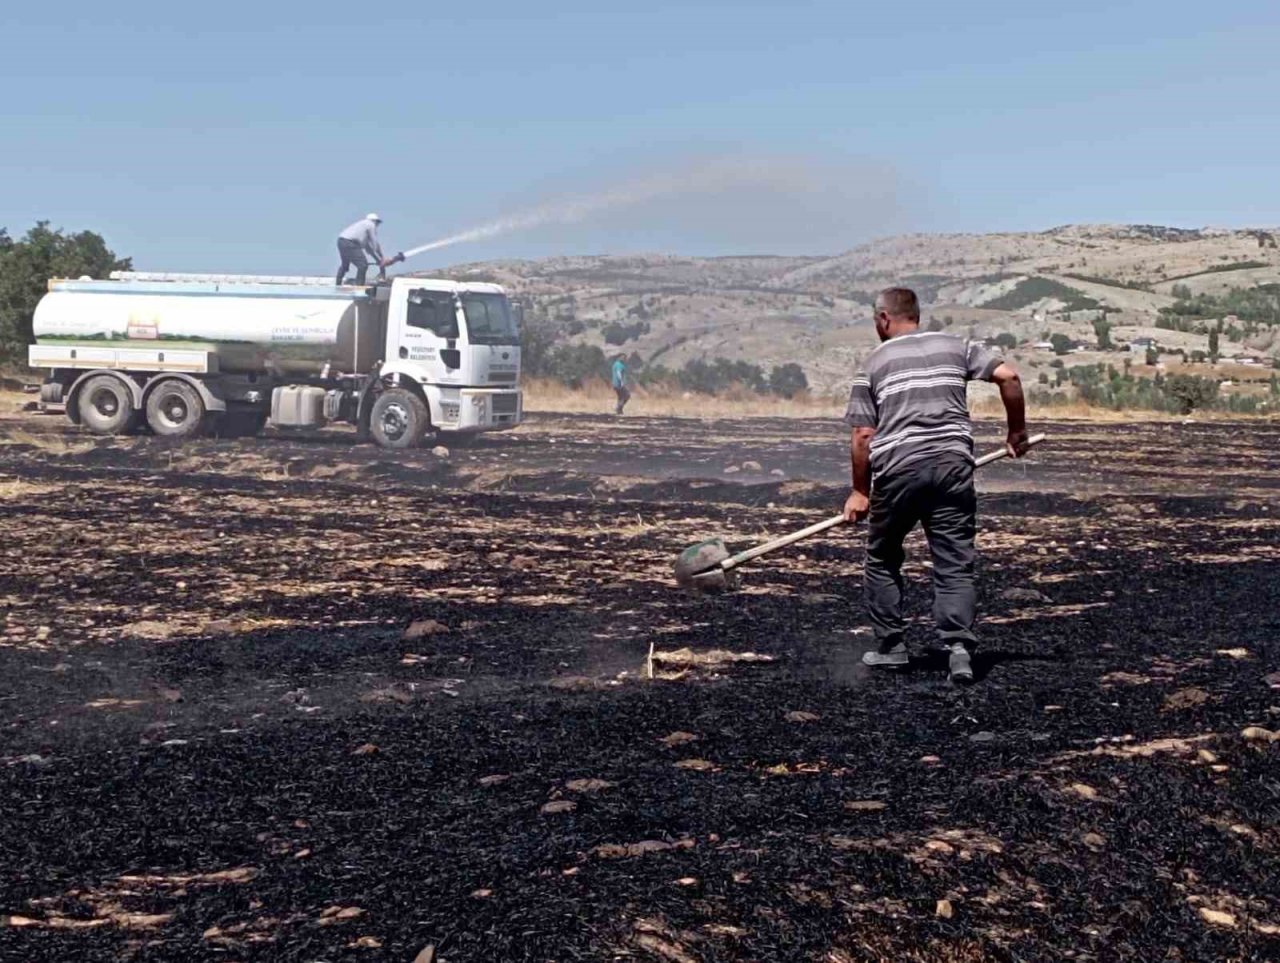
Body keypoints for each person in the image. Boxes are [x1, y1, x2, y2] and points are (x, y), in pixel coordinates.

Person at [842, 287, 1028, 684]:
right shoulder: (955, 346)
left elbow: (862, 436)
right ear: (916, 315)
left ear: (883, 319)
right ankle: (959, 649)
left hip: (899, 469)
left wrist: (860, 491)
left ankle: (891, 647)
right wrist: (1017, 432)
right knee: (953, 562)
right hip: (952, 467)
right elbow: (1009, 377)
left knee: (883, 556)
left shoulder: (872, 363)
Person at [336, 213, 385, 285]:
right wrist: (382, 257)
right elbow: (375, 244)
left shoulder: (362, 228)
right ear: (374, 221)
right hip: (350, 243)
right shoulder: (371, 225)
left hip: (341, 241)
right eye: (377, 222)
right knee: (363, 265)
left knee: (345, 265)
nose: (377, 225)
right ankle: (359, 287)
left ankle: (337, 284)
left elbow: (369, 249)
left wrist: (377, 260)